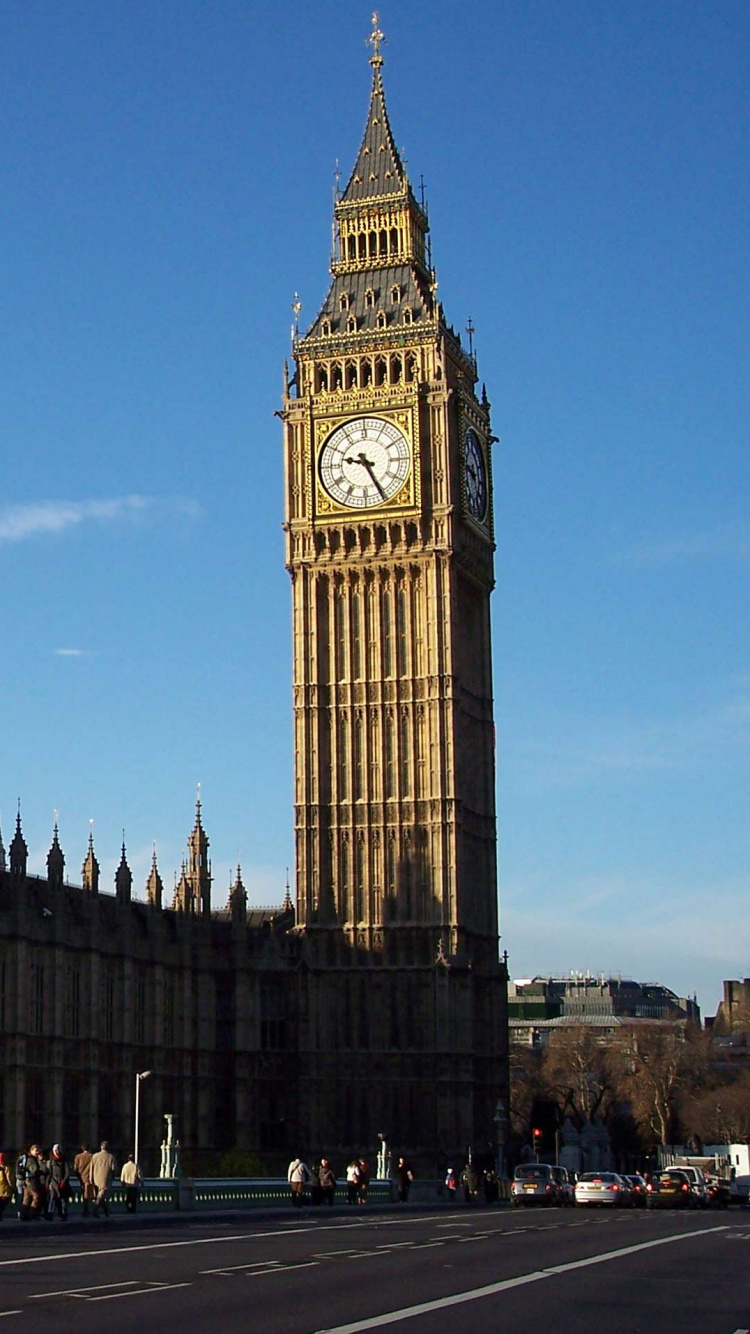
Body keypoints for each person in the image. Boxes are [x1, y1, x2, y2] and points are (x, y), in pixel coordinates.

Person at [90, 1141, 117, 1217]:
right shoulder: (111, 1157)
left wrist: (90, 1178)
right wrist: (113, 1177)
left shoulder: (95, 1156)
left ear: (101, 1147)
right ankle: (95, 1211)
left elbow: (91, 1168)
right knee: (100, 1195)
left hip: (96, 1178)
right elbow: (113, 1169)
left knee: (100, 1195)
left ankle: (106, 1211)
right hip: (105, 1178)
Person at [20, 1145, 45, 1220]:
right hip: (33, 1182)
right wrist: (41, 1167)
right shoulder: (32, 1160)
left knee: (26, 1199)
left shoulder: (26, 1158)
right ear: (31, 1151)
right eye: (36, 1150)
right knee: (36, 1198)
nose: (37, 1152)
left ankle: (24, 1215)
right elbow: (34, 1170)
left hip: (26, 1182)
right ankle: (32, 1214)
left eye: (38, 1150)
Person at [46, 1145, 70, 1220]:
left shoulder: (64, 1161)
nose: (56, 1152)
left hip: (62, 1183)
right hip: (53, 1182)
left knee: (63, 1200)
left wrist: (63, 1181)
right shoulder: (52, 1161)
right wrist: (47, 1183)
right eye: (55, 1151)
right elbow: (50, 1173)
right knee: (52, 1198)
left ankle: (64, 1214)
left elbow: (67, 1173)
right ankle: (50, 1214)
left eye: (57, 1150)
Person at [74, 1144, 95, 1217]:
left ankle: (85, 1210)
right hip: (89, 1178)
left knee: (84, 1194)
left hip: (81, 1178)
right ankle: (87, 1210)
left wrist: (78, 1176)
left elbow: (75, 1169)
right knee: (88, 1195)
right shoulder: (92, 1156)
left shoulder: (78, 1156)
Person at [0, 1153, 14, 1221]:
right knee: (4, 1201)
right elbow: (9, 1178)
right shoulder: (6, 1167)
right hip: (4, 1187)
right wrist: (12, 1186)